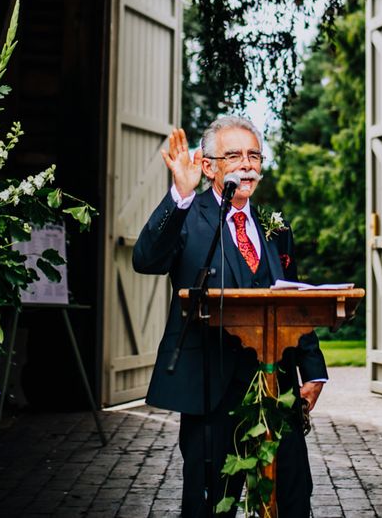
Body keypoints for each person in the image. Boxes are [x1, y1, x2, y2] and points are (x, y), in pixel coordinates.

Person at [132, 116, 327, 517]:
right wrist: (179, 197)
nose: (247, 164)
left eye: (254, 155)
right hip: (210, 386)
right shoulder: (188, 215)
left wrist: (314, 370)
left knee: (292, 496)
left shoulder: (276, 227)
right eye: (234, 155)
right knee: (209, 503)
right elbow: (146, 259)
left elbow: (292, 299)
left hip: (277, 385)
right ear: (208, 166)